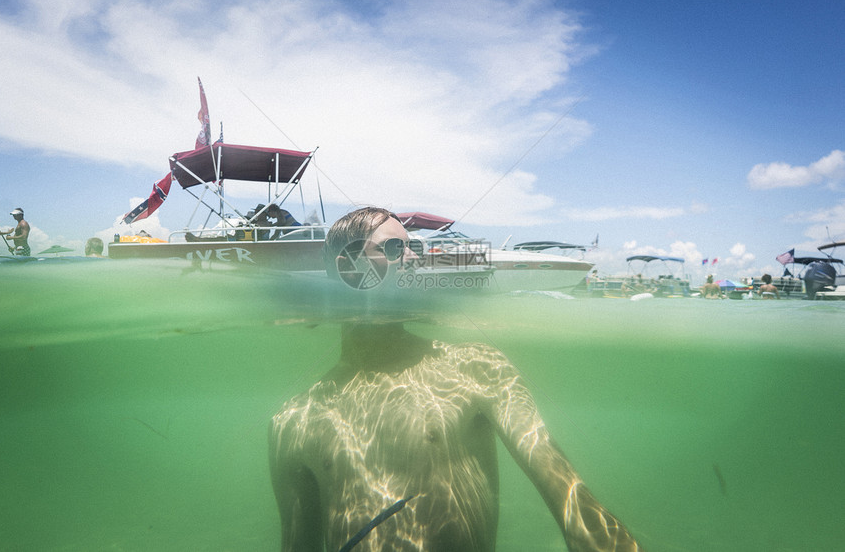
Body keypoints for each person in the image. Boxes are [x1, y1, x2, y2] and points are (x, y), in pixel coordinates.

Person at [269, 206, 643, 552]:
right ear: (349, 267)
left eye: (414, 246)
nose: (415, 257)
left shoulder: (476, 368)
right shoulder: (294, 420)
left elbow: (572, 503)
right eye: (397, 248)